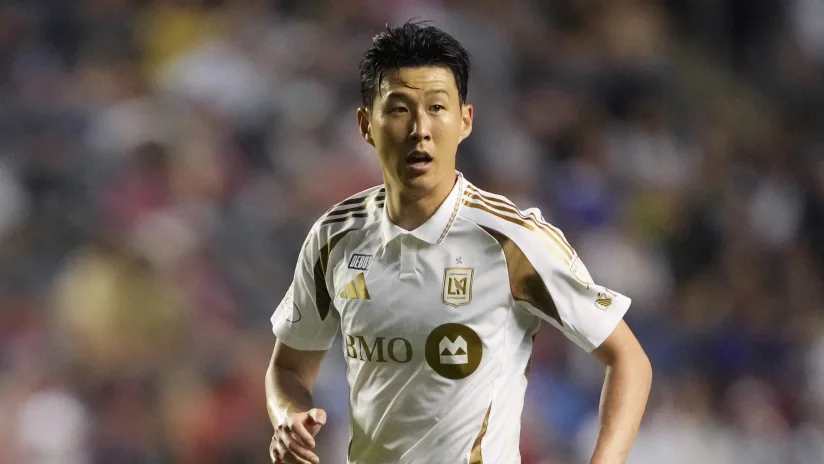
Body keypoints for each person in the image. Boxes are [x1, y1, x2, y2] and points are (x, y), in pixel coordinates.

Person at [265, 21, 652, 464]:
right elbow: (288, 368)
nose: (420, 128)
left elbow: (628, 360)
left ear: (465, 120)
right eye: (399, 109)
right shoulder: (334, 236)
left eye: (436, 107)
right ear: (366, 124)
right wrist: (287, 417)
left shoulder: (512, 239)